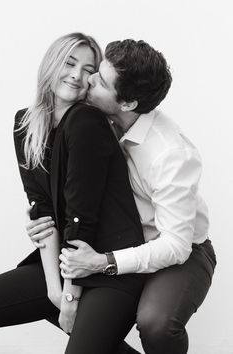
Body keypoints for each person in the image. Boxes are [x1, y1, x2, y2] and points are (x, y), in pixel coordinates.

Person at [31, 39, 217, 354]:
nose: (88, 79)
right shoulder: (93, 118)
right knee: (42, 301)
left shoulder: (171, 154)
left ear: (128, 103)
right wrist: (39, 220)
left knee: (155, 323)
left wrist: (104, 262)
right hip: (116, 244)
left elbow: (176, 246)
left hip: (180, 254)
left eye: (100, 81)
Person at [0, 33, 147, 354]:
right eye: (70, 62)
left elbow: (82, 216)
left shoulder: (86, 120)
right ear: (52, 63)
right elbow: (42, 210)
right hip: (64, 264)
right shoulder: (25, 124)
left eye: (88, 69)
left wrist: (69, 296)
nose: (77, 75)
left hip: (109, 266)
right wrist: (55, 290)